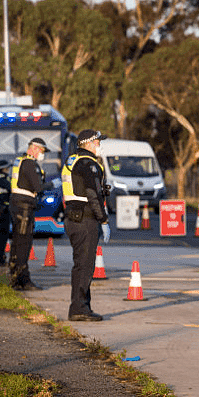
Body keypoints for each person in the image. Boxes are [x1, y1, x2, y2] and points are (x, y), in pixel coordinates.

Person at [63, 129, 110, 322]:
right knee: (85, 266)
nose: (99, 145)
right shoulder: (88, 164)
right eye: (98, 142)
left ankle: (82, 306)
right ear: (89, 143)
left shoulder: (72, 160)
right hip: (85, 220)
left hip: (73, 218)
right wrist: (104, 220)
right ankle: (79, 309)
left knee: (80, 266)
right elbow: (92, 194)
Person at [10, 138, 49, 290]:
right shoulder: (29, 163)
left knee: (17, 242)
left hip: (17, 203)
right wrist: (52, 184)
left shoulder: (19, 161)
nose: (42, 154)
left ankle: (14, 278)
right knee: (24, 244)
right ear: (34, 148)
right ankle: (23, 280)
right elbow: (38, 187)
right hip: (24, 206)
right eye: (42, 151)